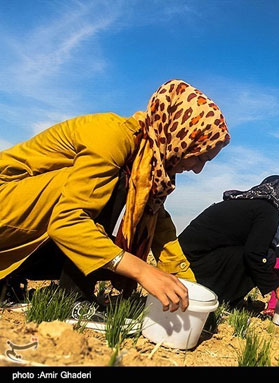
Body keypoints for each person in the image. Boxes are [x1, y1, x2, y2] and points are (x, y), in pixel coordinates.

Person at [0, 79, 230, 314]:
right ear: (181, 138)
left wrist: (189, 288)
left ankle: (9, 279)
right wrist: (142, 270)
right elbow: (66, 221)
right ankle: (74, 300)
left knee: (111, 255)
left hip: (20, 224)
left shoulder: (148, 165)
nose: (197, 169)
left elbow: (161, 229)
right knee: (116, 192)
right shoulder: (115, 138)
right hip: (6, 207)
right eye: (199, 157)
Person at [177, 175, 279, 310]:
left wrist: (278, 251)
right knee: (267, 258)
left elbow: (239, 241)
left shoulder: (244, 202)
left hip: (181, 260)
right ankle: (220, 299)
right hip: (193, 269)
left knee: (267, 254)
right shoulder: (268, 212)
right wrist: (278, 287)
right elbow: (254, 254)